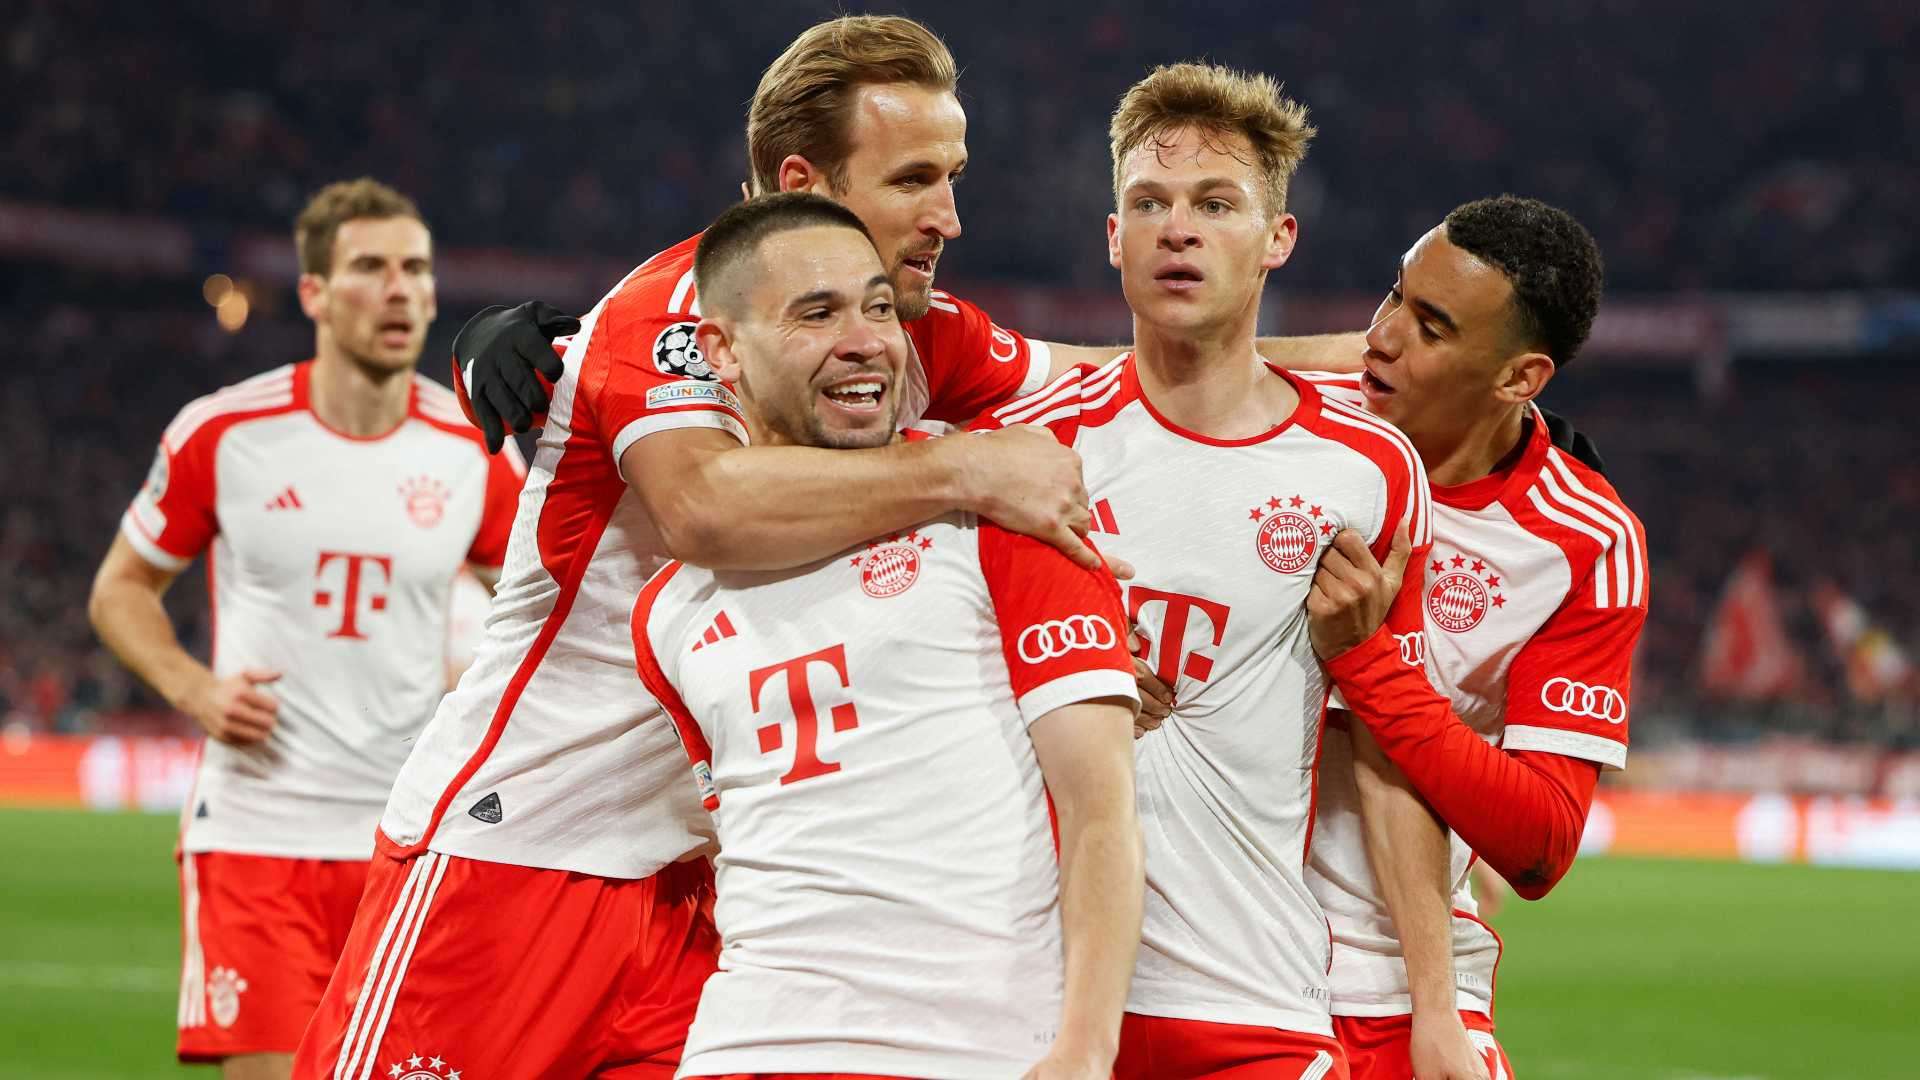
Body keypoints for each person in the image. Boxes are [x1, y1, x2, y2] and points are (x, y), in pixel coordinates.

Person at [292, 18, 1114, 1080]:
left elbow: (1127, 385)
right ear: (802, 181)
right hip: (518, 855)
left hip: (703, 896)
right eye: (914, 179)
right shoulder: (673, 312)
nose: (948, 216)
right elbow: (704, 505)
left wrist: (1336, 373)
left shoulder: (909, 335)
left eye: (952, 176)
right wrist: (969, 469)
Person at [974, 62, 1436, 1080]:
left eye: (1216, 205)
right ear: (1114, 238)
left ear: (1279, 238)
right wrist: (1066, 682)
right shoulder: (1025, 451)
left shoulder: (1368, 470)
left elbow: (1388, 740)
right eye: (1150, 203)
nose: (1176, 230)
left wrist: (1435, 1001)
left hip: (1255, 1000)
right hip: (1037, 1004)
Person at [633, 191, 1143, 1080]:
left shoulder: (1008, 511)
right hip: (741, 1045)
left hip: (962, 1051)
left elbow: (1102, 811)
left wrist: (1087, 1049)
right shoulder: (668, 610)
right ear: (722, 350)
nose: (865, 340)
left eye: (877, 308)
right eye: (817, 314)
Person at [86, 178, 523, 1080]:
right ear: (315, 292)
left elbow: (544, 602)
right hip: (260, 836)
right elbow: (120, 590)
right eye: (371, 268)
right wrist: (193, 688)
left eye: (416, 270)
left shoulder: (473, 448)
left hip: (407, 839)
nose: (399, 290)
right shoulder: (226, 433)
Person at [1300, 194, 1648, 1080]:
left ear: (1519, 378)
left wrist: (1370, 662)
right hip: (1213, 949)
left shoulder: (1583, 540)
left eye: (1431, 326)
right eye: (1393, 294)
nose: (1381, 336)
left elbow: (1539, 844)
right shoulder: (1287, 423)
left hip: (1394, 974)